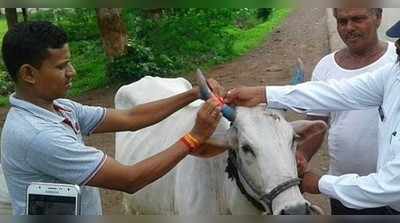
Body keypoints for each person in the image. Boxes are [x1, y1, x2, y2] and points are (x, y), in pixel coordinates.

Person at [0, 21, 224, 215]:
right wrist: (195, 137)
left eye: (69, 62)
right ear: (28, 74)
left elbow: (130, 117)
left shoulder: (59, 108)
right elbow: (130, 179)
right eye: (61, 66)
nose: (72, 72)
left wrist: (192, 94)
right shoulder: (39, 136)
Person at [224, 20, 400, 214]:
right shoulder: (394, 73)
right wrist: (265, 94)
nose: (397, 45)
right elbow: (340, 92)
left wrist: (319, 183)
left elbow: (391, 185)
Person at [299, 8, 397, 215]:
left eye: (358, 19)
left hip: (389, 189)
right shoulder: (326, 66)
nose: (349, 28)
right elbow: (318, 120)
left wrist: (318, 183)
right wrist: (301, 156)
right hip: (342, 187)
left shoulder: (394, 62)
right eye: (342, 21)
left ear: (378, 17)